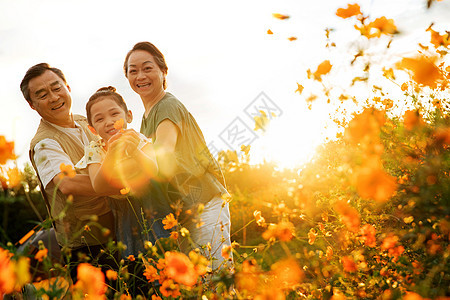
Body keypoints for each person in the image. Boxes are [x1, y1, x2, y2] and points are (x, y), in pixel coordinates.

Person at [123, 42, 233, 271]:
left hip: (205, 204)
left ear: (163, 71)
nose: (140, 76)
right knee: (197, 285)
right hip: (183, 213)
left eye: (147, 68)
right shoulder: (147, 117)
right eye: (133, 71)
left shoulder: (167, 106)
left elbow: (162, 156)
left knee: (215, 281)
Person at [20, 63, 118, 281]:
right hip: (88, 247)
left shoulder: (86, 122)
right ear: (32, 105)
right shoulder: (44, 143)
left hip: (118, 229)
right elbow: (68, 184)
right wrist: (122, 184)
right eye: (42, 94)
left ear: (68, 87)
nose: (54, 97)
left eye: (57, 88)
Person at [75, 86, 173, 257]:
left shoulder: (138, 139)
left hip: (154, 204)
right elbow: (98, 185)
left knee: (164, 250)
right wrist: (112, 153)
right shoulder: (94, 149)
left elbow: (154, 169)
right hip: (123, 211)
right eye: (99, 119)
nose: (109, 121)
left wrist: (135, 151)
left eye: (114, 114)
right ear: (92, 129)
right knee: (134, 257)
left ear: (128, 115)